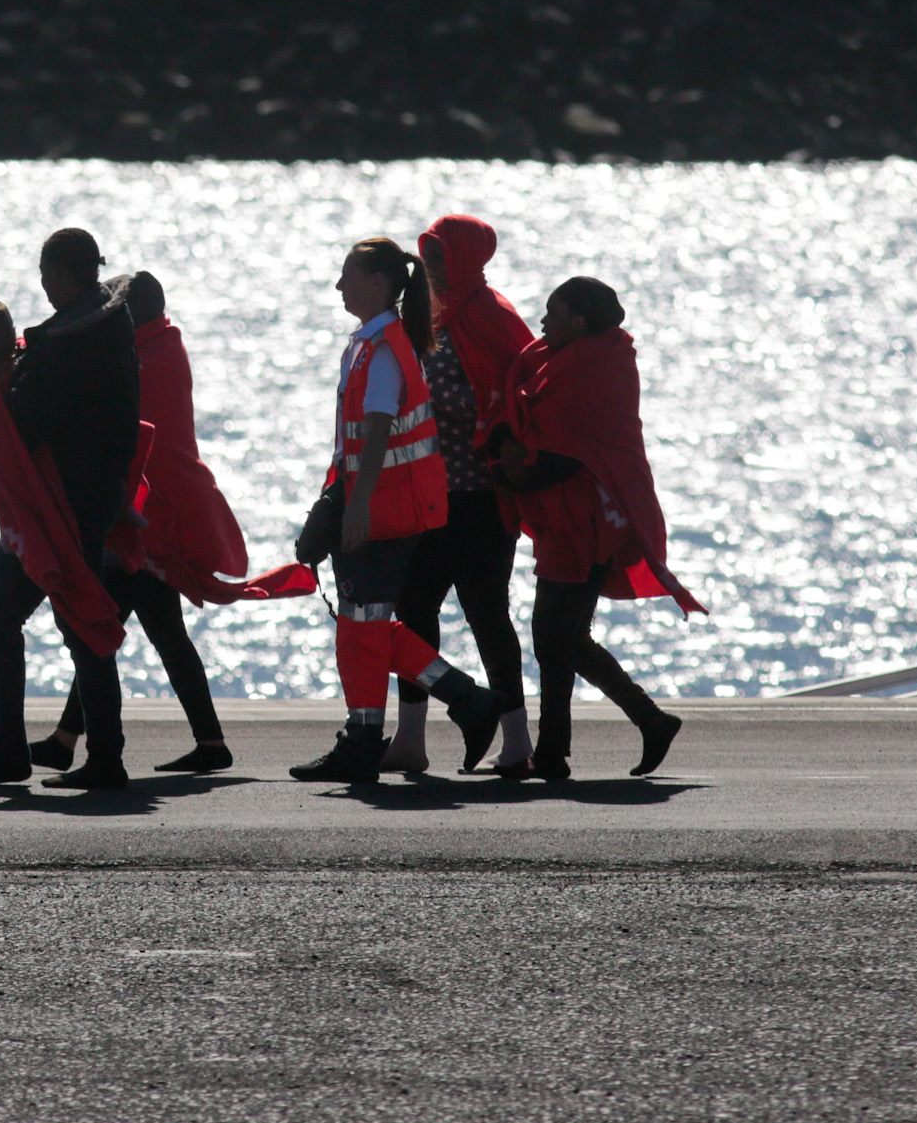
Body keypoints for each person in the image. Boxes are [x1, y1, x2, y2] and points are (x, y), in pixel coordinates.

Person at [39, 271, 311, 775]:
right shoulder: (162, 346)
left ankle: (78, 742)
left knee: (102, 629)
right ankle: (198, 742)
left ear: (132, 314)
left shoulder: (147, 359)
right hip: (158, 513)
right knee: (150, 630)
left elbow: (121, 426)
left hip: (152, 517)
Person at [292, 237, 505, 786]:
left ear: (378, 284)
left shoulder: (383, 347)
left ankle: (368, 739)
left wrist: (356, 510)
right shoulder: (373, 342)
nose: (339, 286)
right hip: (378, 505)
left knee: (361, 628)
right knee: (364, 628)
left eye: (348, 276)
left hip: (382, 512)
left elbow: (380, 431)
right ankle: (457, 702)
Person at [494, 276, 704, 782]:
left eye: (554, 312)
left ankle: (630, 725)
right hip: (570, 519)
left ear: (580, 321)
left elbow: (565, 453)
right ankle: (564, 747)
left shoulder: (598, 368)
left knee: (556, 634)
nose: (542, 322)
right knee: (557, 635)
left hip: (589, 522)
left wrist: (502, 472)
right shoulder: (562, 359)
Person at [0, 229, 142, 791]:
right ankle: (94, 752)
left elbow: (25, 423)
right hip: (93, 499)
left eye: (45, 272)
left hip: (58, 505)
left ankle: (67, 755)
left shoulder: (69, 343)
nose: (42, 282)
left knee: (27, 615)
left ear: (61, 274)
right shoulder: (111, 326)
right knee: (76, 620)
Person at [386, 215, 538, 777]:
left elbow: (520, 393)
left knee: (486, 614)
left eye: (442, 254)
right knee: (413, 610)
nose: (432, 264)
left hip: (478, 496)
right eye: (428, 252)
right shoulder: (429, 312)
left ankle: (518, 741)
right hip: (427, 494)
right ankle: (410, 738)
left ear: (469, 257)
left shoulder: (491, 314)